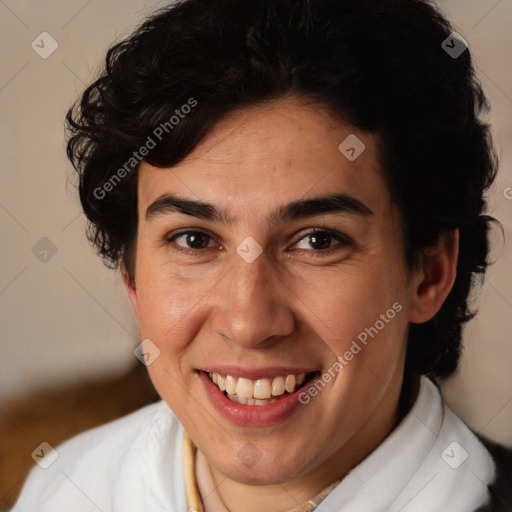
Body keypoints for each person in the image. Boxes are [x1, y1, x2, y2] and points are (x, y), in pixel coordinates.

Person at [12, 0, 512, 510]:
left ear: (429, 272)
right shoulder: (66, 487)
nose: (249, 323)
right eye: (194, 240)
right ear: (131, 275)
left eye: (317, 240)